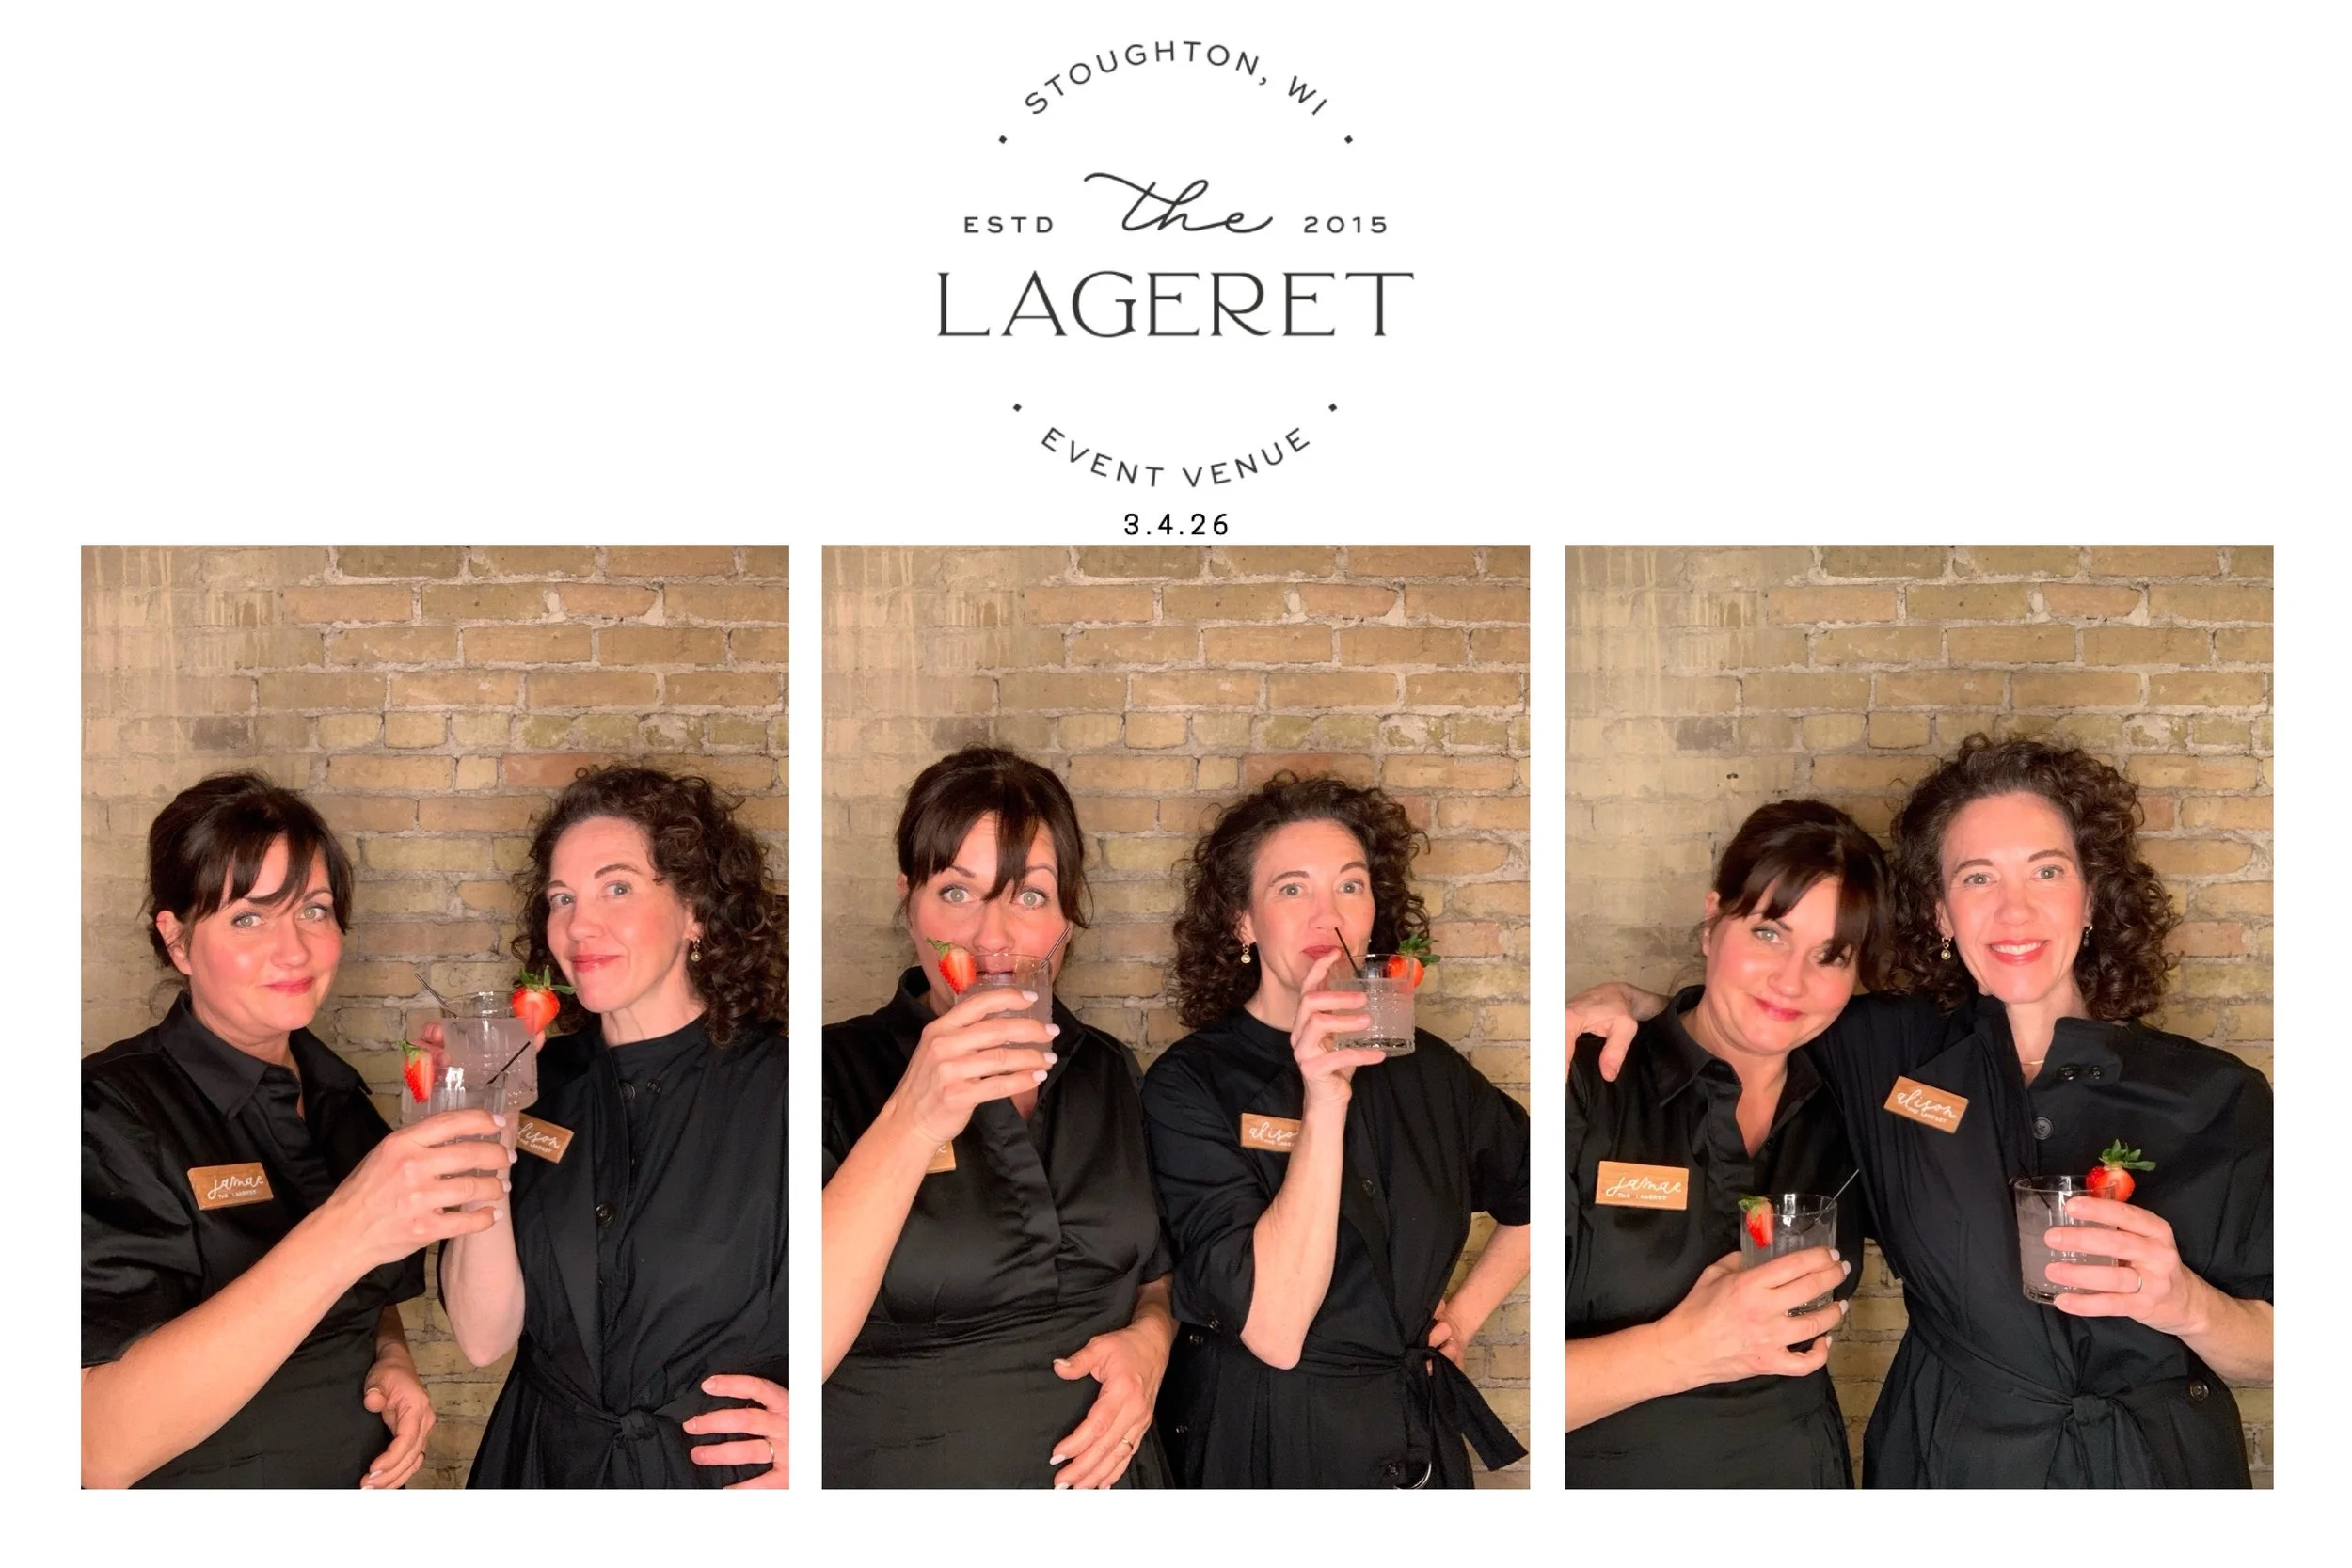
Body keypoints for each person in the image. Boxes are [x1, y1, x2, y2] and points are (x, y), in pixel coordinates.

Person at [1575, 736, 2273, 1486]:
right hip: (1951, 1464)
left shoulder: (2213, 1093)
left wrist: (2187, 1303)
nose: (2015, 908)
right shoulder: (1884, 1051)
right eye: (1978, 877)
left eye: (2047, 870)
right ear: (1942, 912)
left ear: (2092, 895)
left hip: (2154, 1472)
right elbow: (1763, 1007)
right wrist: (1634, 1007)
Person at [83, 771, 508, 1488]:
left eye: (313, 910)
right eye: (248, 918)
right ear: (178, 941)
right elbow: (96, 1447)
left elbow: (365, 1296)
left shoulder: (339, 1096)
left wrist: (390, 1356)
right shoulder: (106, 1115)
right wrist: (346, 1227)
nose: (295, 950)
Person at [1142, 774, 1532, 1487]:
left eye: (1350, 886)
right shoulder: (1189, 1084)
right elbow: (1275, 1329)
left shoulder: (1431, 1071)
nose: (1328, 915)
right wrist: (1324, 1099)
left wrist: (1465, 1316)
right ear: (1242, 921)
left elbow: (1543, 1190)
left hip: (1412, 1435)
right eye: (1292, 889)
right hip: (1264, 1442)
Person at [822, 746, 1174, 1487]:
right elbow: (798, 1343)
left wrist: (1152, 1339)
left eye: (1030, 896)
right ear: (909, 901)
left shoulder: (1106, 1069)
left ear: (1067, 918)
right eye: (956, 891)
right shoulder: (829, 1073)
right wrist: (914, 1117)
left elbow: (1154, 1275)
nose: (993, 938)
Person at [442, 765, 789, 1488]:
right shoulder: (531, 1082)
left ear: (696, 911)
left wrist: (824, 1439)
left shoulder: (790, 1091)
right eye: (562, 897)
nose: (578, 925)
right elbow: (482, 1338)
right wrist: (486, 1144)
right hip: (541, 1470)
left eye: (617, 887)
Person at [1565, 800, 1876, 1487]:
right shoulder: (1590, 1079)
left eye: (1830, 955)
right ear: (1712, 922)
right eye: (1768, 933)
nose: (1791, 980)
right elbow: (1509, 1380)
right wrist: (1685, 1349)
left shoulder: (1849, 1107)